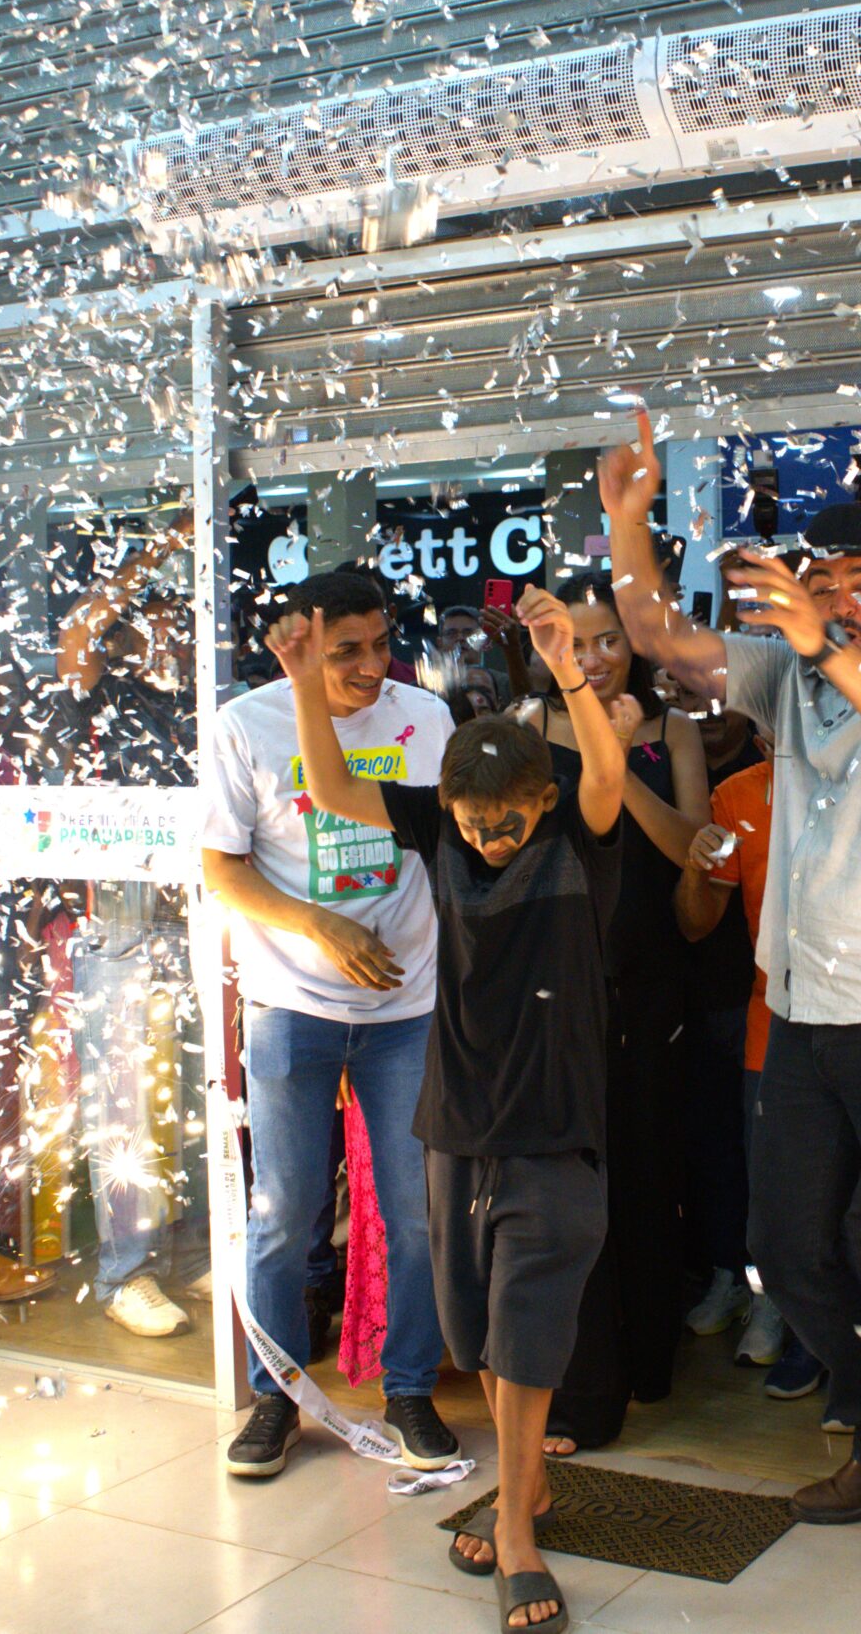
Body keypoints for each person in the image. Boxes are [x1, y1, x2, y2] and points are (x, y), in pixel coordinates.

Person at [602, 413, 861, 1582]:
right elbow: (656, 635)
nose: (836, 600)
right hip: (806, 1007)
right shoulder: (783, 670)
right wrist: (629, 520)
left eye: (858, 585)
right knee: (785, 1248)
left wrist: (822, 646)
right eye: (818, 584)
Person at [271, 587, 624, 1634]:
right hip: (456, 1121)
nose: (494, 836)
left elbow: (606, 774)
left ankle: (514, 1525)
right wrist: (304, 685)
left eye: (511, 817)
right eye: (475, 822)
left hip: (555, 1128)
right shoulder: (437, 828)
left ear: (544, 799)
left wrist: (565, 668)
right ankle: (528, 1487)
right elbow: (332, 787)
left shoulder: (576, 841)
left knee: (526, 1330)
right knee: (477, 1333)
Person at [198, 569, 463, 1479]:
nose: (370, 666)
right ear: (296, 647)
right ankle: (278, 1398)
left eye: (380, 644)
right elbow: (222, 870)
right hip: (292, 1004)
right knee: (283, 1213)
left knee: (416, 1213)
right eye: (345, 650)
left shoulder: (425, 720)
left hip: (408, 1007)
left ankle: (410, 1389)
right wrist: (320, 925)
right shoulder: (247, 724)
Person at [511, 576, 711, 1455]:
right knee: (567, 1190)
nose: (593, 659)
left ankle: (650, 1363)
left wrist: (617, 762)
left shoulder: (675, 733)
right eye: (577, 641)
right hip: (557, 987)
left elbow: (695, 850)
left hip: (652, 981)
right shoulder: (525, 729)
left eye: (609, 641)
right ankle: (582, 1385)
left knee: (648, 1178)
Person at [52, 512, 203, 1338]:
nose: (173, 636)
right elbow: (78, 631)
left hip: (193, 910)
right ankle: (126, 1272)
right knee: (125, 1105)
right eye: (159, 621)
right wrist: (164, 547)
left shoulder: (199, 707)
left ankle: (190, 1251)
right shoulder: (101, 695)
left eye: (183, 623)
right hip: (121, 916)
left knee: (199, 1093)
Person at [672, 726, 831, 1403]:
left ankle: (845, 1350)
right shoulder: (737, 794)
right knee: (774, 1201)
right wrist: (694, 868)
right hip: (775, 1025)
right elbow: (696, 922)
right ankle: (784, 1317)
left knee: (853, 1200)